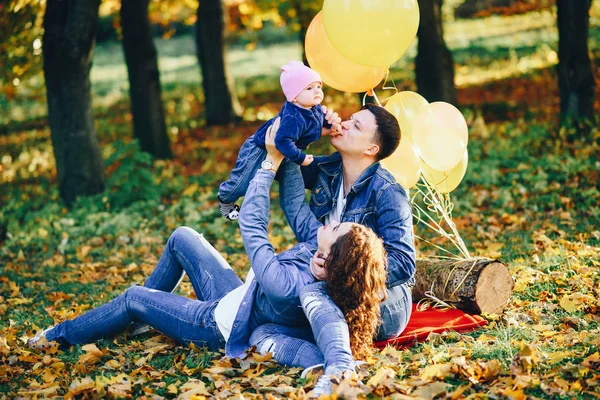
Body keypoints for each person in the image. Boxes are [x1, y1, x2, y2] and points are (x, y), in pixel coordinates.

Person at [27, 123, 385, 378]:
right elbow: (294, 204)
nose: (328, 222)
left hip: (216, 324)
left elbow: (254, 229)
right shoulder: (317, 247)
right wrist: (290, 143)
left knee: (135, 296)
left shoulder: (287, 284)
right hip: (239, 300)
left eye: (336, 227)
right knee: (183, 236)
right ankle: (140, 319)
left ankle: (58, 335)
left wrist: (268, 165)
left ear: (333, 254)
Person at [250, 104, 416, 396]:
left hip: (380, 301)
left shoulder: (388, 192)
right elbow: (284, 164)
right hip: (331, 289)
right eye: (350, 119)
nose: (346, 123)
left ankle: (340, 371)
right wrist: (306, 121)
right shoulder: (328, 170)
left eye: (357, 126)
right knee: (262, 331)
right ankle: (324, 361)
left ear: (371, 148)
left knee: (310, 294)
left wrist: (340, 271)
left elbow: (404, 263)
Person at [218, 60, 341, 220]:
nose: (316, 91)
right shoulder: (293, 116)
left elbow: (316, 121)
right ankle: (225, 199)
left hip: (287, 151)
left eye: (318, 86)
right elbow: (282, 141)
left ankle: (298, 215)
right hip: (260, 149)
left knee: (293, 188)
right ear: (294, 97)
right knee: (242, 181)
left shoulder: (312, 106)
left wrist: (330, 125)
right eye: (309, 88)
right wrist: (301, 158)